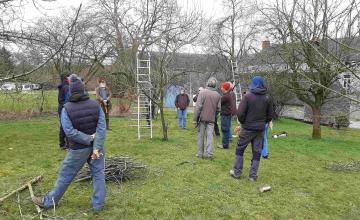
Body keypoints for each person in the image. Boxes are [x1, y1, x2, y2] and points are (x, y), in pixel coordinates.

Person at [31, 74, 107, 212]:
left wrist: (89, 140)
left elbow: (70, 132)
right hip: (97, 148)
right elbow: (101, 128)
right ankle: (98, 206)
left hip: (78, 149)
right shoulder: (96, 105)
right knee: (98, 174)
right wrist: (95, 145)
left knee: (66, 176)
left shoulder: (67, 108)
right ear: (84, 90)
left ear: (71, 92)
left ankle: (49, 202)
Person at [229, 76, 273, 181]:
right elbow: (270, 115)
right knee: (257, 152)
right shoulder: (267, 98)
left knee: (240, 149)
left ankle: (237, 172)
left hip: (247, 128)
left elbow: (240, 113)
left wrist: (244, 123)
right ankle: (253, 176)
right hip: (260, 130)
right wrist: (263, 122)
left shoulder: (248, 96)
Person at [193, 77, 221, 160]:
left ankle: (200, 154)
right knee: (210, 137)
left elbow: (198, 107)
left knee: (201, 136)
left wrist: (195, 119)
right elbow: (219, 108)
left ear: (207, 83)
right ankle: (209, 155)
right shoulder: (218, 95)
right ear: (215, 85)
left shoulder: (202, 93)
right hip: (212, 119)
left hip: (202, 119)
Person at [218, 82, 235, 149]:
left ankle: (225, 145)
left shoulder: (226, 96)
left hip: (225, 115)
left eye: (222, 87)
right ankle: (225, 144)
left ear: (225, 88)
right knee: (226, 129)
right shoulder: (228, 94)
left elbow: (219, 103)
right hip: (227, 114)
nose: (221, 88)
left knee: (225, 129)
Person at [57, 73, 70, 150]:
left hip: (61, 107)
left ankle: (62, 144)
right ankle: (67, 144)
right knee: (66, 126)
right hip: (65, 107)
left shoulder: (62, 86)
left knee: (63, 126)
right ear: (66, 78)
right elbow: (68, 99)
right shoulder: (66, 87)